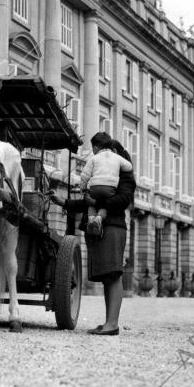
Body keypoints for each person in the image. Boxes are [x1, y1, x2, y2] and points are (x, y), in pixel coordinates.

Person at [51, 139, 136, 336]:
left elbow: (123, 200)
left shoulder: (124, 174)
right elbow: (87, 202)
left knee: (113, 275)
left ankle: (112, 324)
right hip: (99, 229)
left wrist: (96, 200)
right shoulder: (105, 173)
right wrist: (63, 201)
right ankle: (109, 322)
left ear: (113, 151)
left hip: (113, 228)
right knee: (108, 277)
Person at [79, 131, 132, 237]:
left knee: (91, 204)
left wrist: (83, 188)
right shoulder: (116, 157)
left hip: (95, 187)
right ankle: (99, 218)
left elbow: (84, 175)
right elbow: (129, 166)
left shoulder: (94, 158)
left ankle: (90, 219)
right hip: (110, 188)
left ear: (95, 148)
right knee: (105, 205)